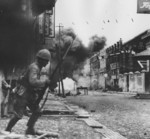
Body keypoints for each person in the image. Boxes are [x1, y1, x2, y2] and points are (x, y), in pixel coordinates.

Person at [5, 49, 51, 135]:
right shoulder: (34, 67)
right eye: (46, 61)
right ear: (41, 59)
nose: (47, 63)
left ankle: (30, 128)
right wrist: (44, 82)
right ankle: (7, 129)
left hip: (30, 94)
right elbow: (33, 82)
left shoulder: (38, 67)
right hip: (23, 94)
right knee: (18, 115)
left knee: (37, 111)